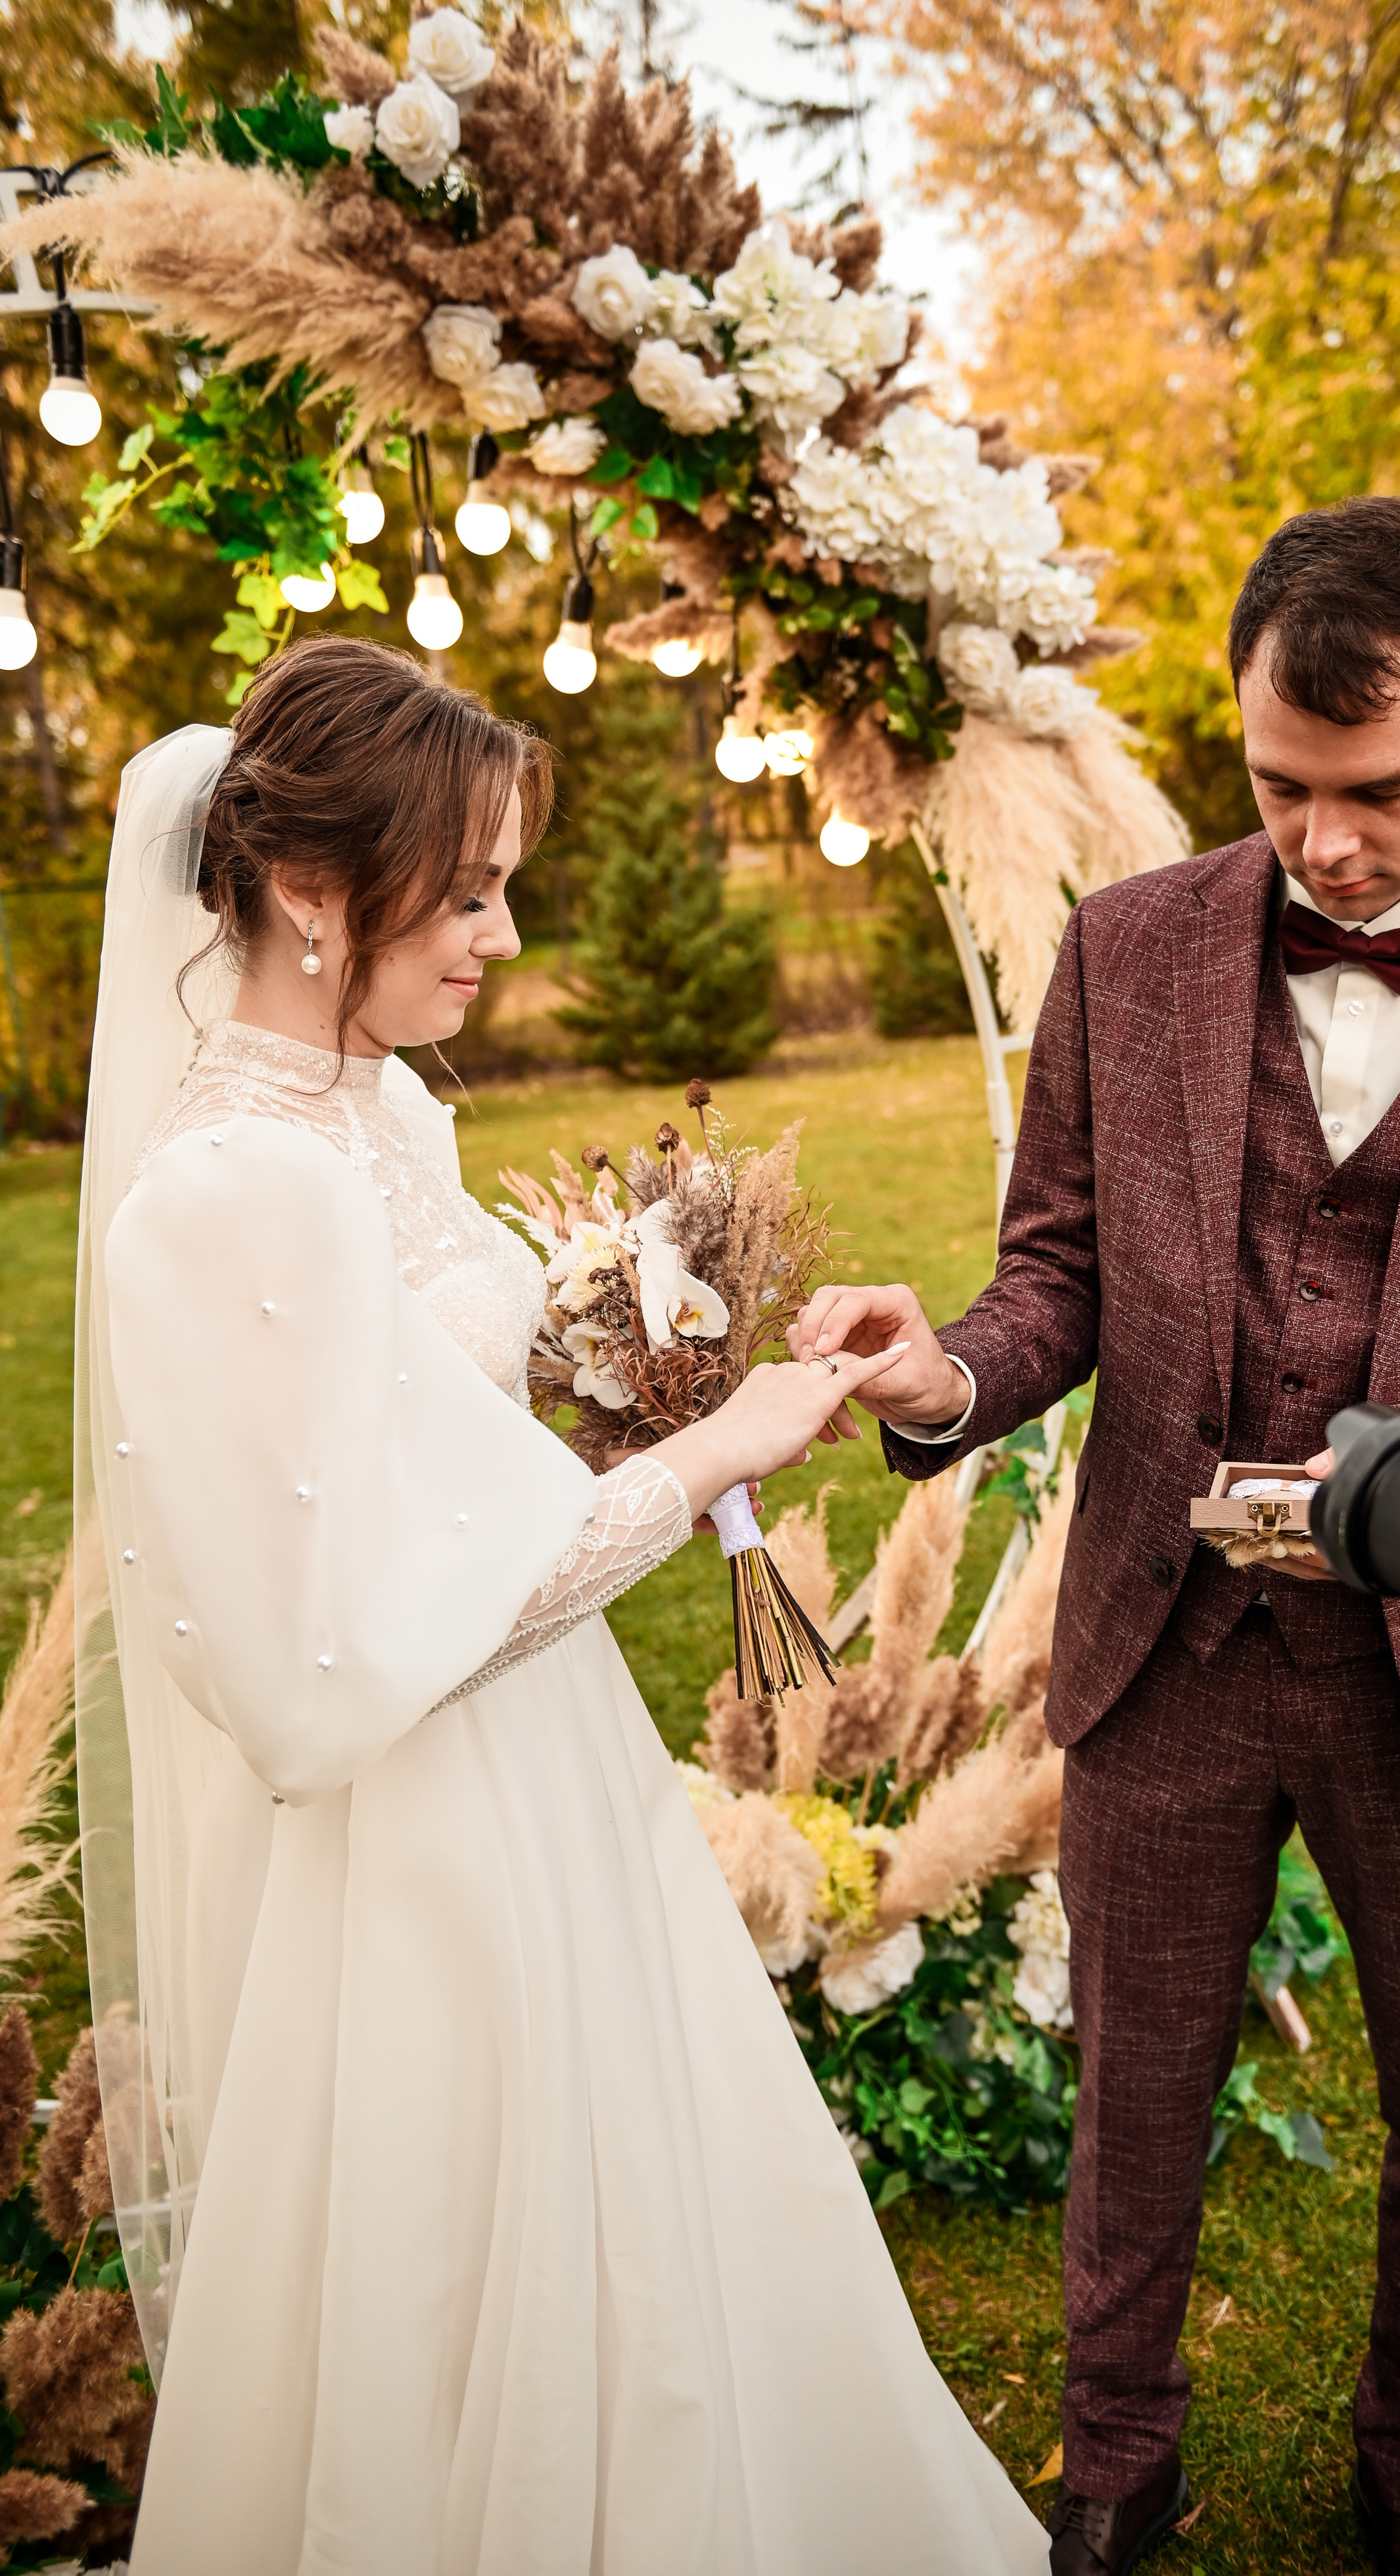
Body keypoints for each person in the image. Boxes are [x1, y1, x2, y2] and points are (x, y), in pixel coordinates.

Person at [78, 636, 1050, 2575]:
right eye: (468, 895)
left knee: (657, 2248)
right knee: (472, 2273)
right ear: (303, 891)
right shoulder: (223, 1198)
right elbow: (336, 1657)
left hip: (557, 1775)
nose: (504, 938)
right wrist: (709, 1458)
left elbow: (425, 1440)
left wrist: (631, 1360)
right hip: (417, 1844)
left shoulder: (386, 1117)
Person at [796, 497, 1400, 2576]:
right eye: (1279, 786)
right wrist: (943, 1381)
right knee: (1136, 2098)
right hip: (1162, 1650)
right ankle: (1116, 2470)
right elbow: (1057, 1278)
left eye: (1378, 793)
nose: (1326, 846)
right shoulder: (1129, 947)